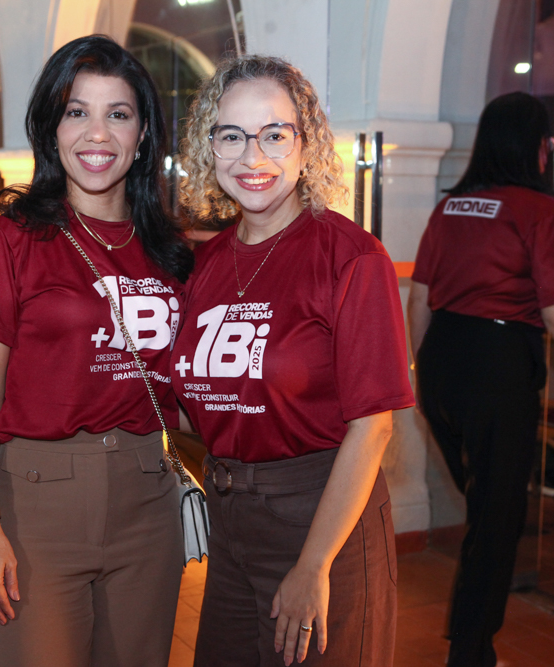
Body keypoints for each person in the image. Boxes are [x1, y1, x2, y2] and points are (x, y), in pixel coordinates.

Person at [0, 36, 193, 666]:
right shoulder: (12, 240)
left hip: (148, 497)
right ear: (51, 127)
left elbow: (189, 385)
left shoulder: (169, 250)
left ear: (142, 133)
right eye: (76, 111)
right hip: (37, 503)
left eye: (118, 113)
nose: (98, 133)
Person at [175, 55, 413, 667]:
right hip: (231, 525)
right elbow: (190, 404)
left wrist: (314, 565)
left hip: (321, 520)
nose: (253, 157)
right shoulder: (204, 264)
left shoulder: (350, 257)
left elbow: (374, 425)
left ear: (306, 146)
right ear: (210, 148)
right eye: (232, 135)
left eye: (274, 134)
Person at [407, 92, 554, 667]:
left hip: (441, 363)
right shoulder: (538, 210)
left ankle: (468, 640)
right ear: (538, 146)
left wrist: (420, 373)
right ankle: (471, 654)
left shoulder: (451, 207)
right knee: (497, 519)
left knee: (485, 511)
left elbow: (421, 300)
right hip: (497, 364)